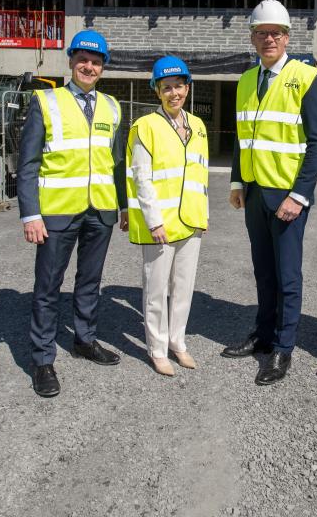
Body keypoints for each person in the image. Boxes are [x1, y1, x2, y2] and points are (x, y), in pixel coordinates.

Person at [18, 30, 127, 398]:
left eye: (96, 62)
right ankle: (43, 359)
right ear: (71, 61)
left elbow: (116, 164)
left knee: (89, 282)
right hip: (57, 212)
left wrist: (122, 205)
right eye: (83, 59)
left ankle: (85, 339)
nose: (89, 66)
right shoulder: (45, 102)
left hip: (100, 211)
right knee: (48, 287)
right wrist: (30, 215)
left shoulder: (113, 107)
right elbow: (28, 163)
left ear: (103, 67)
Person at [223, 0, 317, 386]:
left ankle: (284, 347)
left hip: (286, 197)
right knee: (264, 273)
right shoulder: (247, 79)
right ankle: (263, 336)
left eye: (276, 33)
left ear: (287, 37)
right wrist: (236, 182)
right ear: (253, 38)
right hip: (254, 195)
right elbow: (241, 135)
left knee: (287, 276)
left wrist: (298, 195)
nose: (269, 39)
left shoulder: (307, 76)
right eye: (262, 33)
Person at [124, 56, 209, 377]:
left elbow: (199, 173)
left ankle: (178, 342)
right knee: (156, 289)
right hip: (160, 224)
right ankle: (157, 349)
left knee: (184, 288)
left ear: (188, 87)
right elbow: (140, 177)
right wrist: (153, 220)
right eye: (166, 88)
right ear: (157, 92)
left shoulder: (198, 126)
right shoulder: (145, 126)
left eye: (179, 86)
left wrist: (204, 212)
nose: (174, 93)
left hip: (191, 220)